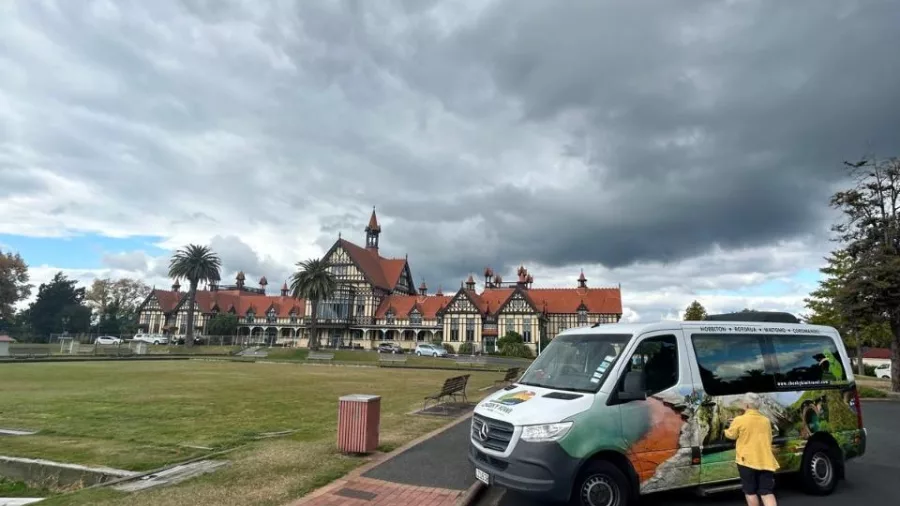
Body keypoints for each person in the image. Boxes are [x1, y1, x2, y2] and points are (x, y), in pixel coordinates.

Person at [725, 392, 780, 506]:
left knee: (750, 492)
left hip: (747, 461)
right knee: (766, 492)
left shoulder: (739, 420)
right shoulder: (766, 420)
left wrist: (728, 427)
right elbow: (769, 439)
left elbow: (731, 435)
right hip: (765, 460)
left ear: (747, 405)